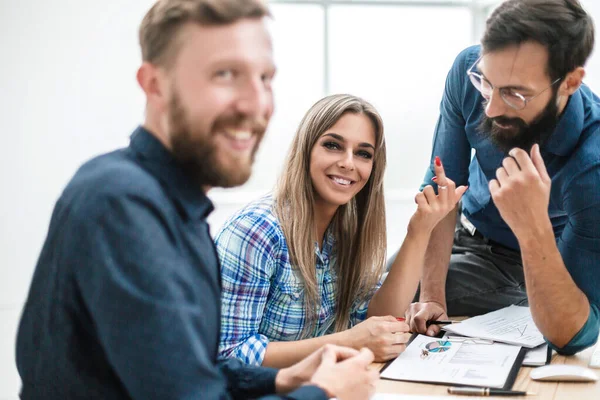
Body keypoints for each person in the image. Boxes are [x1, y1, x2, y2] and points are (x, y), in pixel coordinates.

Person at [15, 1, 382, 399]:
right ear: (155, 85)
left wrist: (280, 380)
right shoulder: (122, 205)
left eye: (264, 78)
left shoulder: (175, 209)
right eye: (225, 75)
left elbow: (189, 370)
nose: (256, 103)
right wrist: (324, 394)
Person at [404, 0, 600, 355]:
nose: (491, 108)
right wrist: (433, 298)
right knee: (380, 286)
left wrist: (532, 225)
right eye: (487, 83)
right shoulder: (467, 70)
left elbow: (578, 334)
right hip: (466, 234)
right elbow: (442, 191)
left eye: (514, 93)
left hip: (535, 261)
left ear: (569, 82)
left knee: (374, 294)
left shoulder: (593, 163)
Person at [216, 94, 467, 368]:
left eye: (363, 153)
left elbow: (380, 317)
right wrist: (346, 342)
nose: (349, 163)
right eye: (333, 145)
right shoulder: (256, 231)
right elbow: (227, 355)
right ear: (306, 149)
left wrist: (420, 230)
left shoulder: (345, 230)